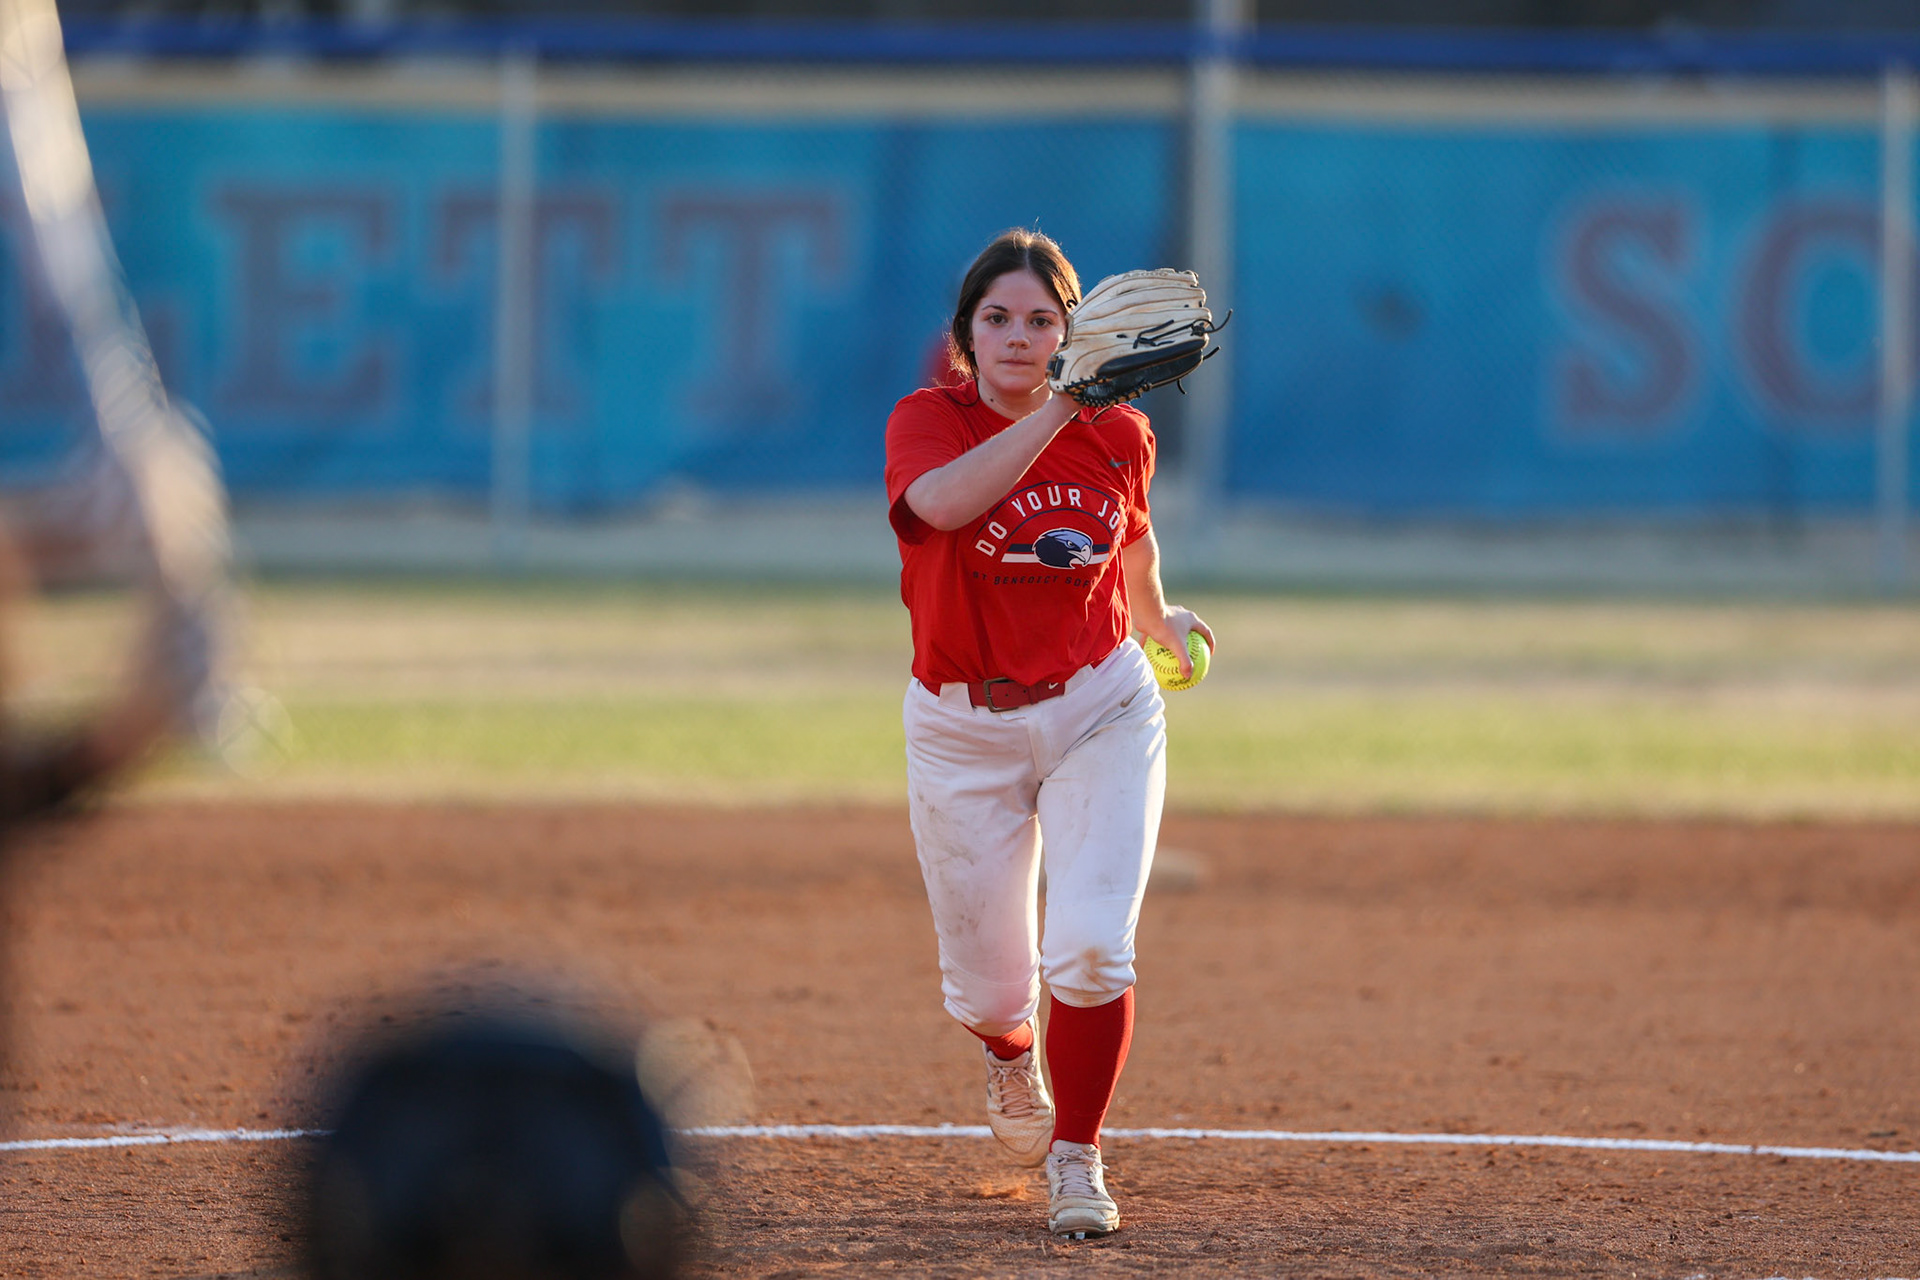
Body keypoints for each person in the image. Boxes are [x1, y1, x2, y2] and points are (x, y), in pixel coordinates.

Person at [883, 228, 1214, 1239]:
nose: (1019, 338)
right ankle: (1007, 1055)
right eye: (999, 319)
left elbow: (1133, 535)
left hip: (1099, 707)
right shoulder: (929, 421)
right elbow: (939, 504)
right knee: (990, 990)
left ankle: (1079, 1152)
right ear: (964, 337)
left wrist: (1159, 620)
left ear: (1072, 330)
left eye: (1042, 320)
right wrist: (1068, 400)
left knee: (1090, 951)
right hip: (960, 727)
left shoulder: (1117, 435)